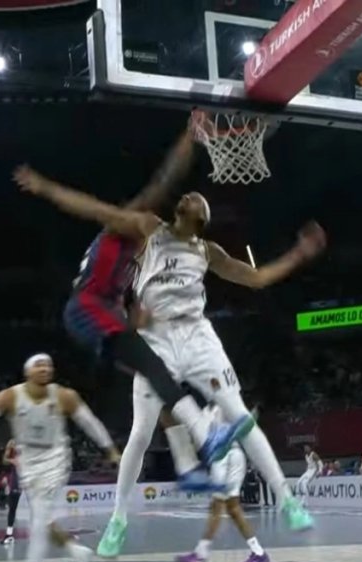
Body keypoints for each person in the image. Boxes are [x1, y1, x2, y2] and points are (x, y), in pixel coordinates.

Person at [86, 187, 326, 556]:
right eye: (186, 196)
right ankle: (118, 520)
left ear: (202, 218)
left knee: (239, 414)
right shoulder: (152, 229)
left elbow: (257, 278)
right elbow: (116, 219)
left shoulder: (207, 251)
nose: (188, 196)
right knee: (141, 432)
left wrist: (299, 254)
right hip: (155, 338)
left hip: (197, 338)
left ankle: (287, 499)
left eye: (196, 199)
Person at [14, 129, 251, 493]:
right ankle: (206, 435)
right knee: (156, 366)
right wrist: (188, 139)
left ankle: (187, 465)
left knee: (160, 378)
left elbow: (137, 307)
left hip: (106, 314)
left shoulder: (140, 258)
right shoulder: (123, 226)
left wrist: (144, 316)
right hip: (86, 309)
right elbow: (160, 182)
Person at [0, 354, 119, 562]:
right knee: (42, 517)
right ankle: (76, 551)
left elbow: (90, 423)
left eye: (48, 365)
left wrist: (110, 449)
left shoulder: (65, 396)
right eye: (39, 365)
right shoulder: (10, 396)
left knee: (39, 514)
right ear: (28, 372)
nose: (45, 368)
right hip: (28, 462)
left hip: (56, 458)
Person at [176, 403, 270, 562]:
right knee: (233, 509)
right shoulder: (205, 412)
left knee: (217, 506)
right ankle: (258, 552)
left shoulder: (223, 403)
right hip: (226, 456)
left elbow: (245, 422)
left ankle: (200, 554)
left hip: (228, 456)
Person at [0, 440, 23, 544]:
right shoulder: (10, 458)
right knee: (12, 509)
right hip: (16, 483)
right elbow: (5, 461)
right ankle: (9, 534)